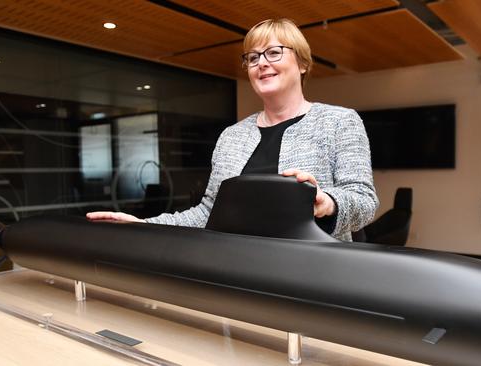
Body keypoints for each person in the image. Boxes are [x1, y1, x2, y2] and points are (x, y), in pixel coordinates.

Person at [87, 18, 378, 241]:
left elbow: (364, 202)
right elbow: (207, 212)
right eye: (252, 57)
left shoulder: (340, 121)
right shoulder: (232, 136)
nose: (261, 63)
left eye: (273, 52)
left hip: (316, 277)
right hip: (240, 270)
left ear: (302, 63)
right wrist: (143, 225)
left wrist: (327, 203)